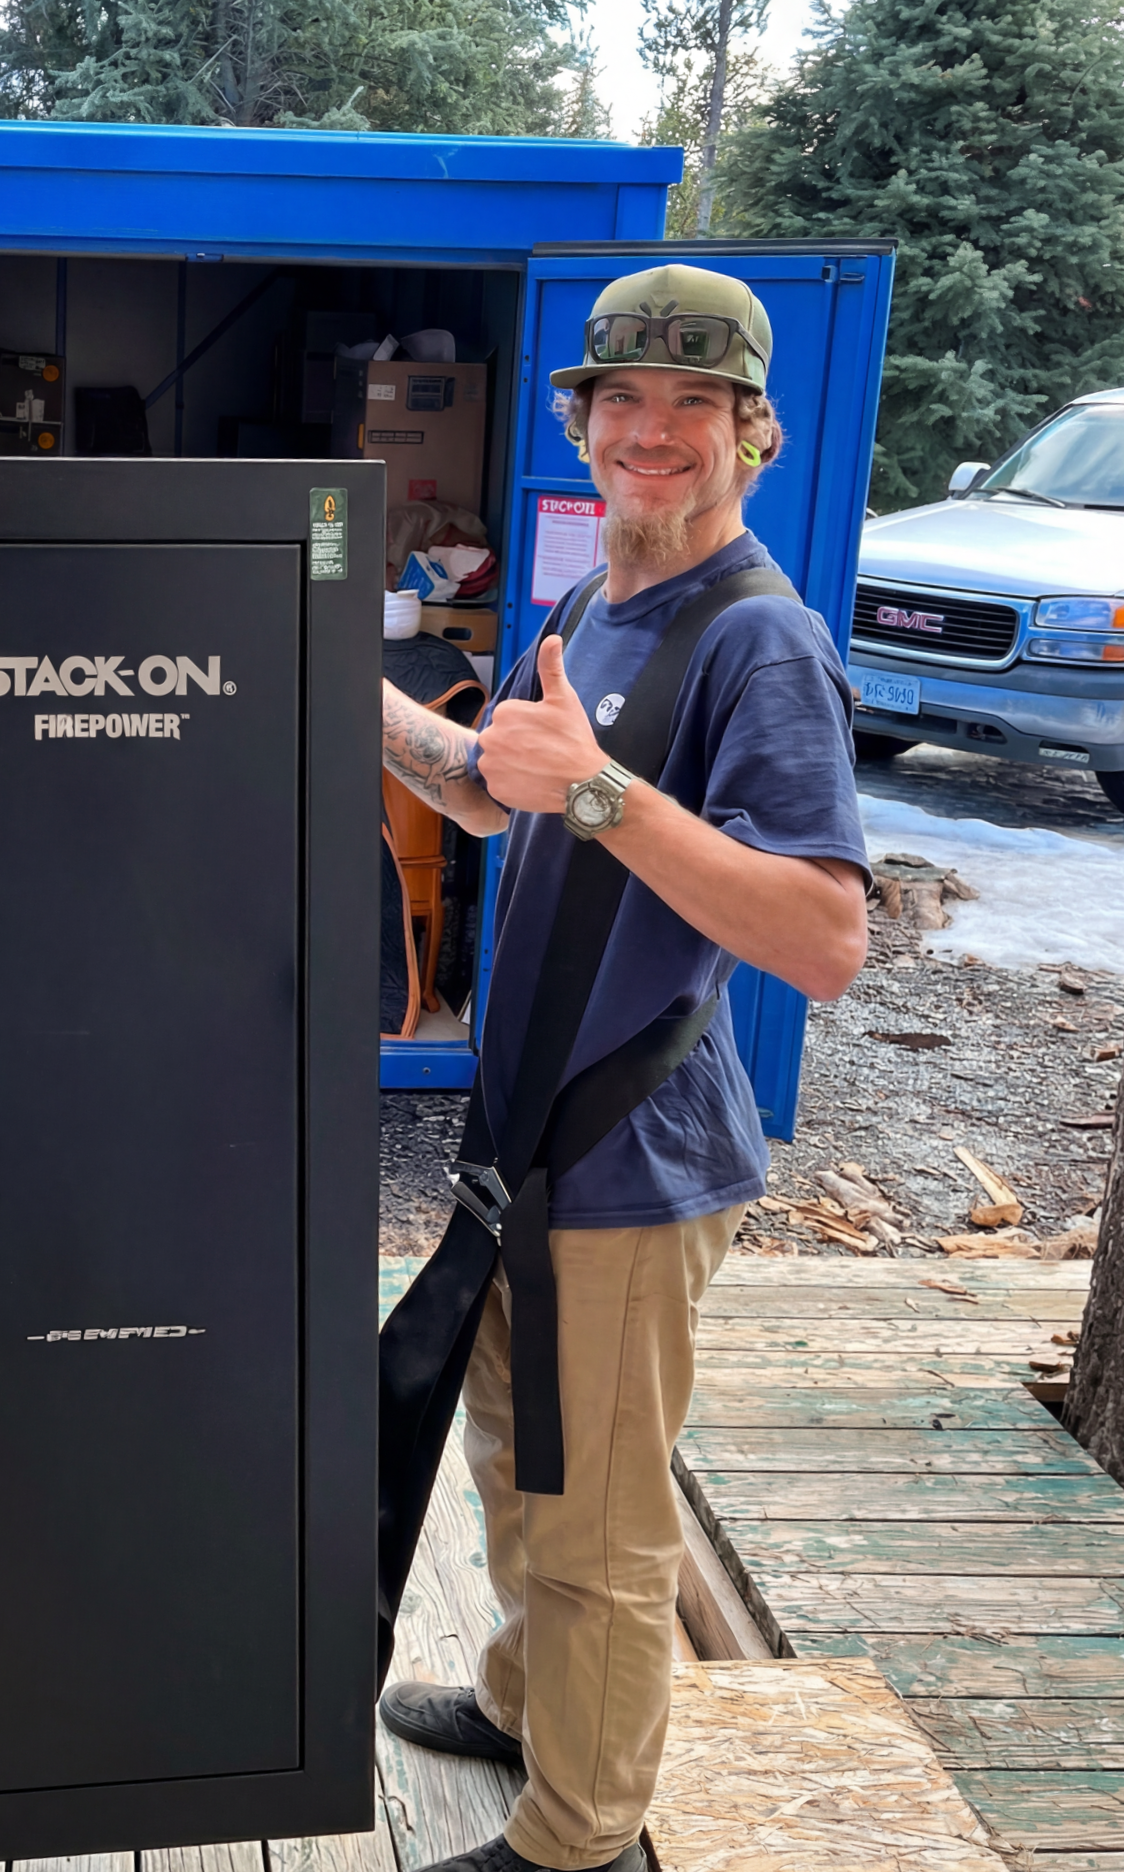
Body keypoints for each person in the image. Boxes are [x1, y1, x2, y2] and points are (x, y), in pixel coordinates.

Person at [376, 265, 871, 1872]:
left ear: (755, 436)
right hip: (529, 1150)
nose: (654, 436)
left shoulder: (763, 645)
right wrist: (344, 680)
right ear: (584, 426)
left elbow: (821, 937)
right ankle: (531, 1707)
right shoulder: (596, 606)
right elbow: (490, 793)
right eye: (626, 406)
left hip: (633, 1163)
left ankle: (582, 1833)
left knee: (597, 1521)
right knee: (524, 1472)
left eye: (695, 409)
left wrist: (596, 793)